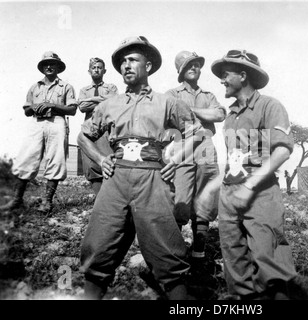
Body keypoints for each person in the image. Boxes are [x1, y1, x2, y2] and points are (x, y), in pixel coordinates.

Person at [77, 36, 205, 300]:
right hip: (116, 178)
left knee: (166, 251)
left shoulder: (166, 102)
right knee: (98, 247)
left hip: (153, 180)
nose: (126, 65)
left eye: (133, 60)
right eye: (122, 61)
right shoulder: (109, 104)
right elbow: (83, 136)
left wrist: (176, 159)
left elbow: (195, 133)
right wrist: (101, 159)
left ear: (148, 66)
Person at [195, 50, 308, 300]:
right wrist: (210, 189)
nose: (222, 80)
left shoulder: (269, 106)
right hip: (229, 195)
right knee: (236, 268)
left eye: (226, 75)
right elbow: (234, 163)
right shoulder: (231, 117)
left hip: (260, 193)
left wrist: (250, 186)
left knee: (271, 267)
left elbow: (282, 151)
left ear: (243, 75)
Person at [165, 51, 226, 260]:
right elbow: (169, 116)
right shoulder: (172, 94)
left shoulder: (208, 95)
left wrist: (190, 110)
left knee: (206, 196)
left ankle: (199, 249)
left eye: (197, 65)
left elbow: (219, 114)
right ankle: (175, 251)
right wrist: (202, 113)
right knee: (181, 196)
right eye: (189, 65)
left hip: (206, 146)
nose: (194, 68)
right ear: (180, 70)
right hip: (181, 145)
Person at [0, 51, 77, 215]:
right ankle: (17, 200)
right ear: (42, 68)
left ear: (58, 67)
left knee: (56, 159)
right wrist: (33, 107)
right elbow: (26, 110)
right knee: (27, 157)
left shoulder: (66, 87)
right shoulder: (35, 87)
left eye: (52, 64)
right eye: (45, 64)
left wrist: (52, 105)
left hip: (56, 122)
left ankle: (47, 202)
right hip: (36, 122)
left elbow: (72, 109)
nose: (49, 66)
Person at [78, 57, 118, 195]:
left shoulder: (111, 87)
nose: (96, 69)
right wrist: (101, 100)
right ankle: (98, 199)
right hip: (89, 129)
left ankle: (109, 199)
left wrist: (90, 100)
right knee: (90, 165)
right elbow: (82, 107)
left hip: (105, 129)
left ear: (104, 70)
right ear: (89, 71)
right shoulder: (84, 90)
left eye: (99, 67)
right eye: (94, 67)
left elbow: (113, 102)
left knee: (107, 161)